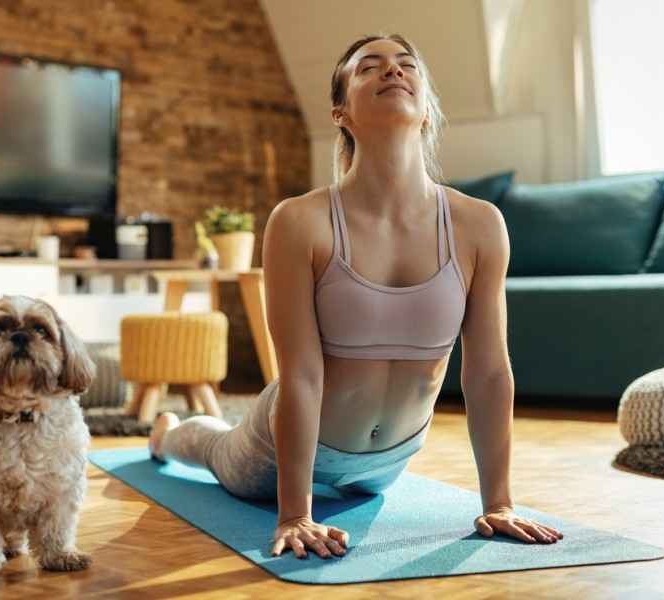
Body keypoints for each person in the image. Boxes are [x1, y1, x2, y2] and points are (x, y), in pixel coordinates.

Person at [148, 33, 564, 560]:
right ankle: (167, 434)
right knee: (214, 450)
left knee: (361, 485)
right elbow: (299, 371)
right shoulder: (300, 221)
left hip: (388, 463)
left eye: (406, 64)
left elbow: (488, 370)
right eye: (370, 67)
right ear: (340, 111)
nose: (392, 71)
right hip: (283, 447)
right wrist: (295, 512)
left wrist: (498, 502)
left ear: (428, 111)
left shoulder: (479, 224)